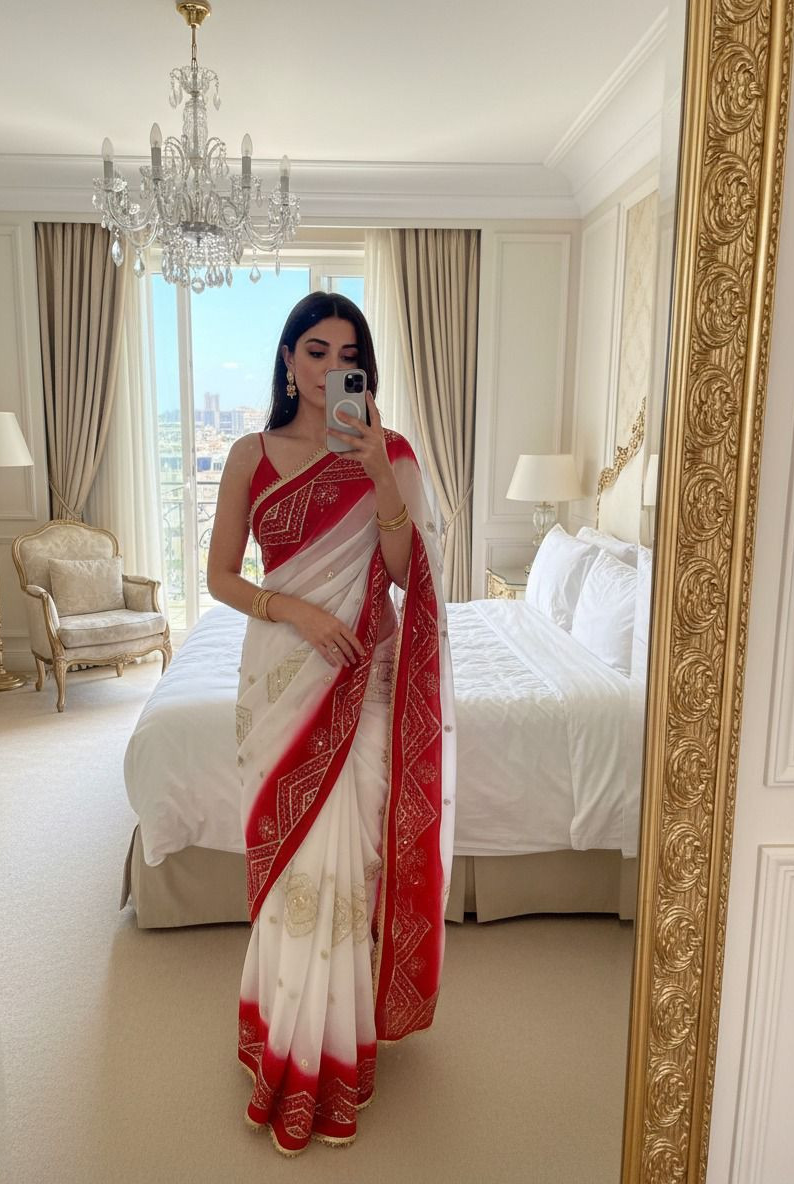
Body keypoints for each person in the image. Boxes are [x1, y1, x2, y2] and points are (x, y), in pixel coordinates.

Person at [206, 291, 456, 1155]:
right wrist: (297, 612)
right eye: (315, 351)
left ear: (364, 368)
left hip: (363, 677)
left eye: (347, 355)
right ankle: (283, 1036)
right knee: (294, 861)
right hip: (282, 673)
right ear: (287, 359)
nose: (328, 368)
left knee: (349, 858)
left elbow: (405, 573)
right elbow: (221, 578)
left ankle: (336, 1054)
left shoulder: (391, 451)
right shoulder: (250, 455)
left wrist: (381, 475)